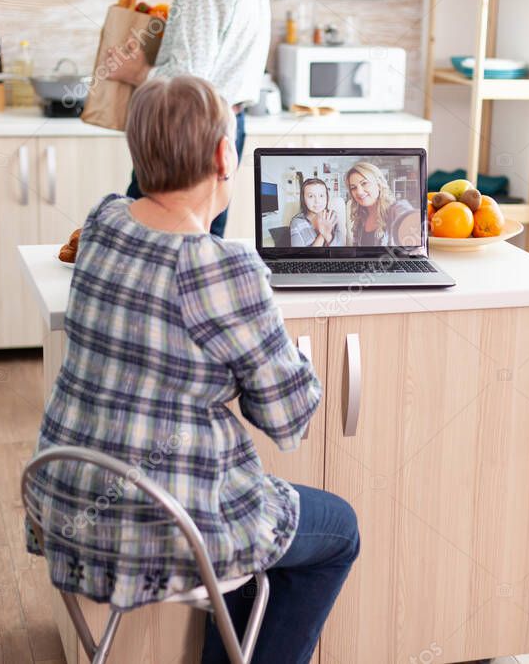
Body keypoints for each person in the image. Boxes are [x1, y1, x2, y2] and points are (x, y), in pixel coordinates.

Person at [26, 77, 358, 664]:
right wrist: (296, 358)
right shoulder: (223, 267)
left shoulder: (103, 223)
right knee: (338, 531)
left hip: (64, 504)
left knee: (260, 527)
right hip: (164, 527)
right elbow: (288, 422)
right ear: (223, 156)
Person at [107, 0, 271, 238]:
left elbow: (186, 82)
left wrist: (137, 71)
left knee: (142, 241)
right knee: (204, 245)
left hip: (190, 129)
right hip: (228, 123)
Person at [345, 161, 417, 247]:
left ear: (378, 184)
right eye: (353, 188)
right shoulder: (360, 217)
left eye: (364, 183)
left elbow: (407, 215)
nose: (359, 192)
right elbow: (356, 249)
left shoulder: (395, 209)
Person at [289, 178, 345, 247]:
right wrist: (322, 235)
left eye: (321, 196)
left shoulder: (333, 216)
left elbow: (340, 251)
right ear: (303, 199)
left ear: (327, 197)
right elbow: (299, 256)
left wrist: (327, 235)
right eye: (311, 196)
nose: (317, 201)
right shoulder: (297, 222)